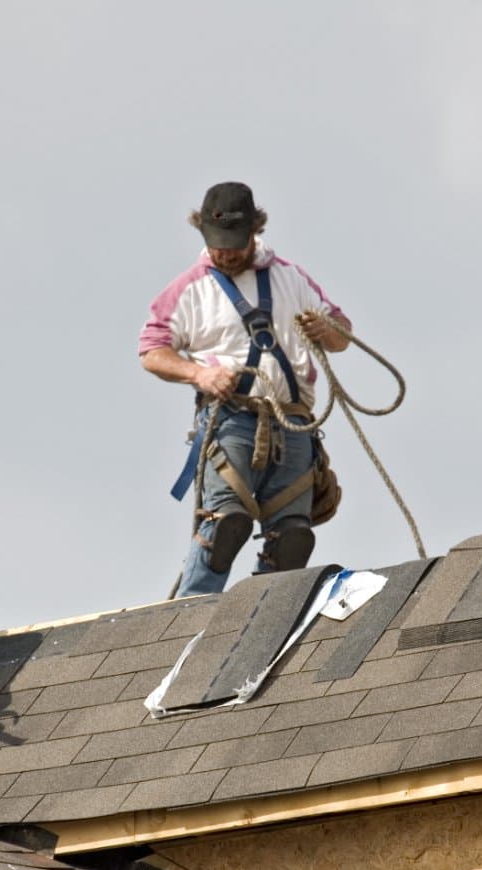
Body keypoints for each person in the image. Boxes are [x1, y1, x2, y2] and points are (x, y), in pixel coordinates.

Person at [139, 181, 350, 596]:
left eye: (235, 243)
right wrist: (200, 375)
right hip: (232, 418)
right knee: (225, 526)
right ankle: (188, 619)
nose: (227, 252)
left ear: (255, 230)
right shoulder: (190, 288)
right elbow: (151, 350)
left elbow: (343, 336)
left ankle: (262, 622)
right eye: (218, 244)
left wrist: (326, 330)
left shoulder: (291, 279)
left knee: (292, 541)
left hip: (292, 423)